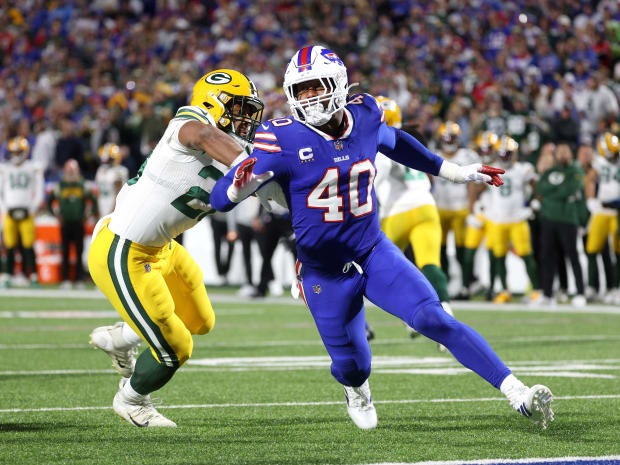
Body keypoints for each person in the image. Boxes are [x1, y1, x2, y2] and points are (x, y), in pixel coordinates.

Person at [210, 46, 554, 431]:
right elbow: (220, 198)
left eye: (315, 86)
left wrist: (456, 172)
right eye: (301, 90)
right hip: (323, 271)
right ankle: (356, 389)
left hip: (372, 250)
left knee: (433, 317)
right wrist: (238, 189)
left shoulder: (365, 114)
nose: (309, 97)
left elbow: (397, 142)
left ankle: (517, 392)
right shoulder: (281, 137)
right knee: (353, 366)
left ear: (338, 84)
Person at [87, 69, 264, 427]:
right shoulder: (191, 122)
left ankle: (121, 338)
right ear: (215, 103)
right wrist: (255, 166)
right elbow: (203, 134)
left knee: (200, 321)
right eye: (239, 109)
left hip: (162, 249)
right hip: (123, 250)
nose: (246, 119)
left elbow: (278, 190)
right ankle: (132, 400)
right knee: (175, 349)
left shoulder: (240, 149)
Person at [373, 96, 451, 346]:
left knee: (378, 270)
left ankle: (405, 318)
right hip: (426, 206)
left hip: (396, 213)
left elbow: (372, 182)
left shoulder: (379, 144)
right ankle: (447, 318)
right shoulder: (411, 139)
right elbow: (430, 176)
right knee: (430, 264)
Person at [484, 136, 541, 304]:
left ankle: (537, 291)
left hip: (517, 217)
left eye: (507, 154)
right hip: (497, 219)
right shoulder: (489, 168)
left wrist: (535, 202)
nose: (504, 157)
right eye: (501, 154)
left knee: (525, 254)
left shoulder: (523, 169)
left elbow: (536, 185)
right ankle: (504, 290)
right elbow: (477, 187)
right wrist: (479, 205)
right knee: (499, 256)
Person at [535, 143, 586, 305]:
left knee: (572, 256)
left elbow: (570, 189)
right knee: (547, 257)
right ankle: (547, 294)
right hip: (548, 219)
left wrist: (552, 194)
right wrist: (558, 192)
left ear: (571, 154)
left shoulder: (575, 171)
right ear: (556, 154)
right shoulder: (550, 171)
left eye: (566, 151)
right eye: (560, 152)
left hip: (567, 219)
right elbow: (540, 188)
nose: (563, 154)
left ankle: (580, 293)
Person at [432, 120, 479, 294]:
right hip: (440, 207)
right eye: (447, 138)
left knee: (462, 250)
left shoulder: (467, 155)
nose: (450, 141)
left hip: (461, 207)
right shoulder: (434, 153)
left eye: (452, 138)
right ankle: (445, 282)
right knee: (440, 249)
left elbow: (474, 183)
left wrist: (472, 206)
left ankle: (467, 283)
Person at [0, 137, 44, 287]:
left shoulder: (33, 167)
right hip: (10, 211)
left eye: (19, 151)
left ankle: (32, 275)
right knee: (9, 244)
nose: (17, 154)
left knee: (28, 245)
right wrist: (5, 208)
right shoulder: (5, 168)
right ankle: (7, 275)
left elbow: (39, 190)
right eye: (14, 151)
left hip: (27, 211)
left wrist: (33, 207)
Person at [47, 159, 98, 289]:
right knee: (65, 252)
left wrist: (87, 215)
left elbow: (93, 202)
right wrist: (56, 215)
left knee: (79, 252)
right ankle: (66, 279)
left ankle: (79, 279)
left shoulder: (82, 185)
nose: (71, 173)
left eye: (73, 170)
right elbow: (49, 202)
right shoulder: (60, 186)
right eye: (69, 170)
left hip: (78, 224)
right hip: (65, 224)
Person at [462, 131, 499, 300]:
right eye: (483, 149)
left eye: (489, 148)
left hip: (494, 213)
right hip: (478, 211)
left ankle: (492, 287)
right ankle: (465, 287)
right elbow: (471, 189)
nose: (486, 152)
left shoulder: (500, 163)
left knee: (493, 252)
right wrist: (470, 212)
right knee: (469, 252)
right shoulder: (474, 163)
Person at [584, 132, 620, 304]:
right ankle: (592, 286)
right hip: (602, 209)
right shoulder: (599, 161)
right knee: (592, 248)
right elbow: (590, 179)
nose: (612, 157)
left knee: (618, 250)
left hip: (617, 211)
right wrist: (591, 199)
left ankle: (616, 288)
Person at [94, 143, 129, 218]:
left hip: (112, 202)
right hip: (101, 201)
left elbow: (118, 193)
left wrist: (112, 210)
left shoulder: (120, 171)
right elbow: (98, 190)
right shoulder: (101, 169)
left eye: (109, 159)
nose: (106, 161)